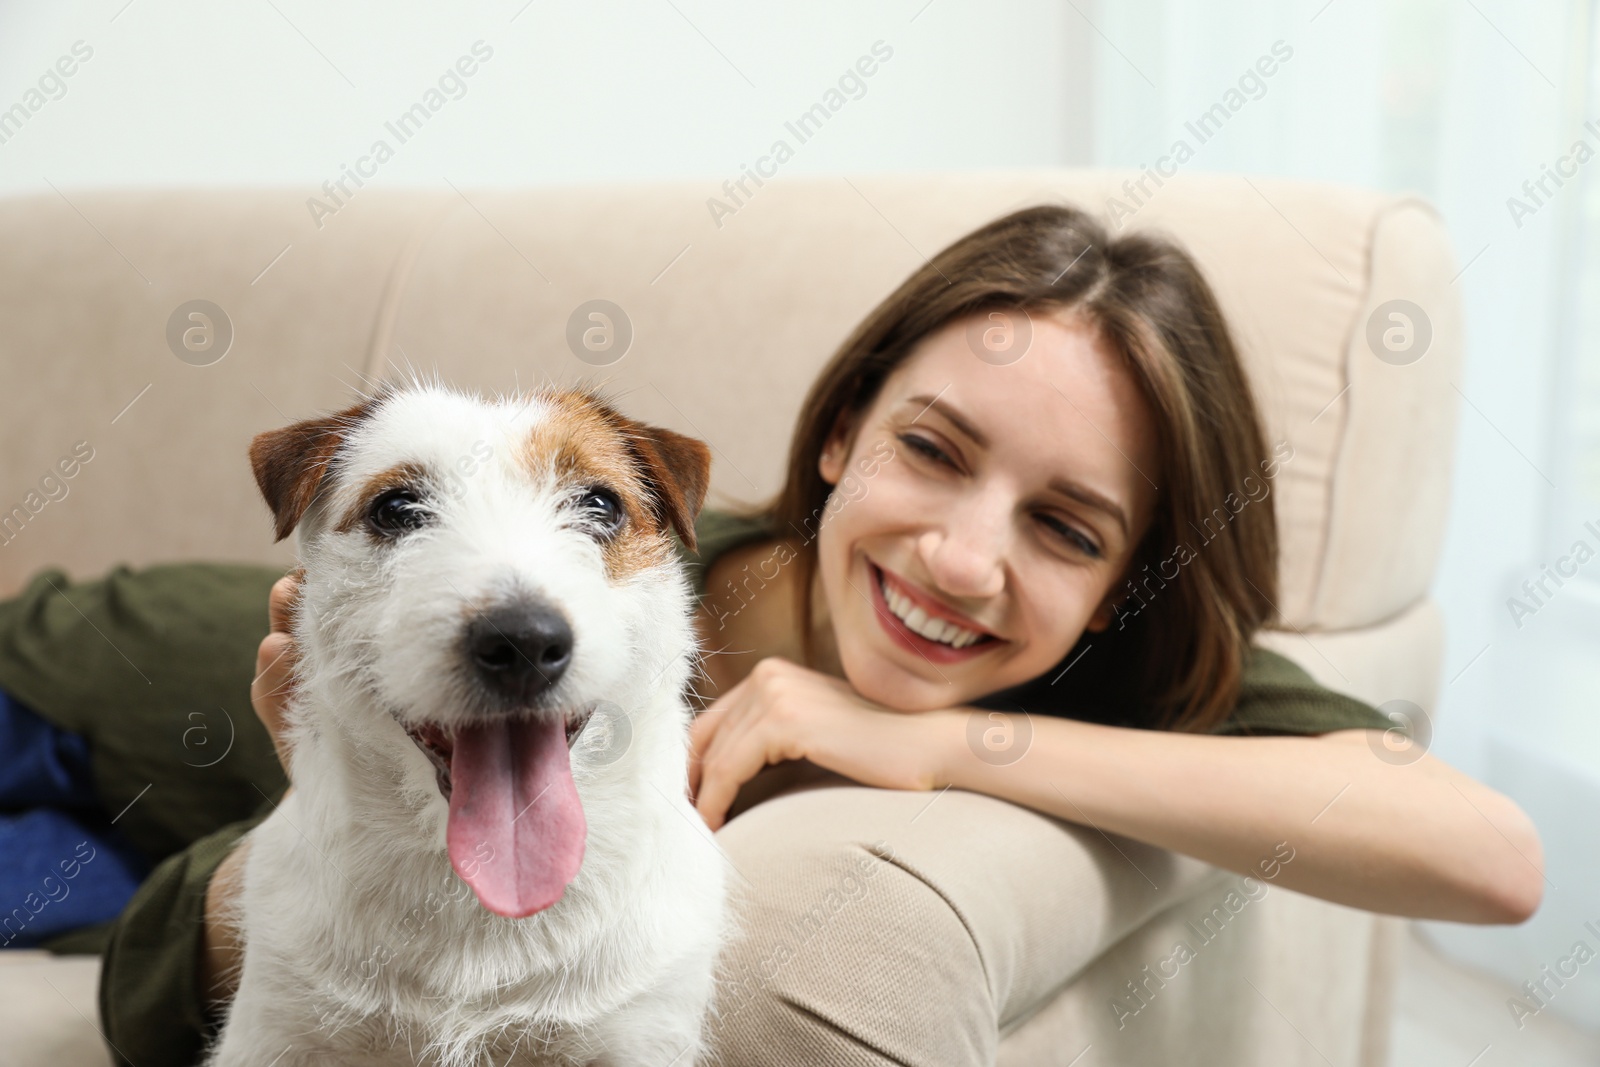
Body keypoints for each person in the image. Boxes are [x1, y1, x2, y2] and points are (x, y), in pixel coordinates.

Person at [3, 204, 1541, 1065]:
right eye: (932, 449)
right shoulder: (587, 577)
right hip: (65, 682)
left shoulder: (1092, 674)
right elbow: (169, 964)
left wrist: (940, 741)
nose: (961, 556)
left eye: (1066, 527)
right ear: (839, 433)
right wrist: (326, 799)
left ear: (1131, 576)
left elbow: (1488, 858)